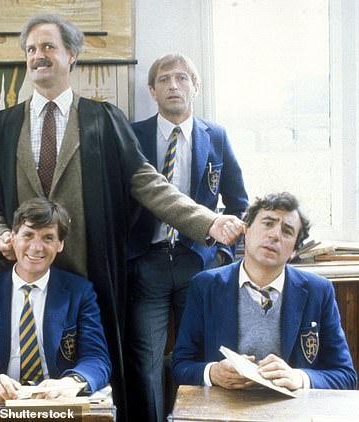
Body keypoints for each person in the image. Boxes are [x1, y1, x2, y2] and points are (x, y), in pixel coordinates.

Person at [0, 14, 245, 420]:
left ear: (72, 55)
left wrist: (206, 221)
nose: (38, 56)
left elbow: (148, 183)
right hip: (23, 275)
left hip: (91, 277)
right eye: (31, 49)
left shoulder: (104, 120)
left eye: (48, 47)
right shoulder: (3, 124)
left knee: (91, 379)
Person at [127, 53, 248, 421]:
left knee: (201, 358)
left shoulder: (216, 135)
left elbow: (238, 202)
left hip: (199, 264)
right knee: (146, 361)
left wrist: (223, 255)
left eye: (182, 78)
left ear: (196, 86)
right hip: (147, 264)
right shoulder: (134, 135)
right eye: (164, 79)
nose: (173, 85)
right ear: (151, 90)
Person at [172, 192, 357, 391]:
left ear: (294, 250)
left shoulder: (318, 291)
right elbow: (180, 365)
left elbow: (345, 376)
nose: (275, 235)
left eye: (287, 231)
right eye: (268, 223)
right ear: (246, 230)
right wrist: (212, 373)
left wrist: (299, 378)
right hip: (225, 410)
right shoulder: (205, 285)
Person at [0, 198, 111, 403]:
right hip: (3, 404)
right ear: (12, 237)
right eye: (28, 235)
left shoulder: (79, 292)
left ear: (60, 244)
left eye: (48, 238)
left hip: (55, 403)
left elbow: (97, 358)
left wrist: (72, 382)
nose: (36, 247)